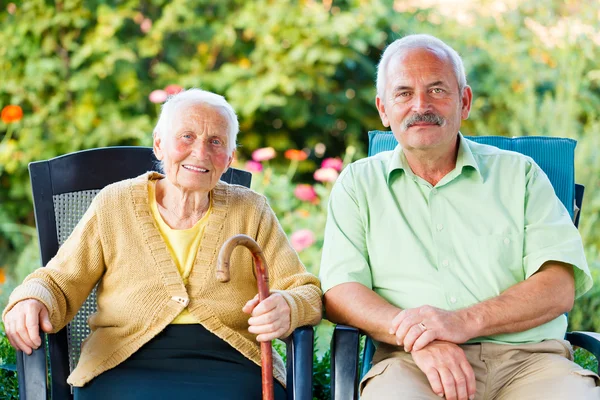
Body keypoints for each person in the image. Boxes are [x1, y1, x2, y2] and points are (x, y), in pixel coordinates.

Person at [320, 34, 599, 400]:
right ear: (383, 109)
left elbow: (559, 286)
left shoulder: (521, 175)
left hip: (531, 365)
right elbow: (341, 290)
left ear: (464, 101)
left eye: (437, 90)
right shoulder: (358, 184)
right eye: (403, 93)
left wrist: (458, 323)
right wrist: (419, 337)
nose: (421, 105)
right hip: (413, 365)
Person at [3, 88, 322, 399]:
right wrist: (32, 299)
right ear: (159, 145)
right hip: (122, 362)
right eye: (187, 136)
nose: (200, 152)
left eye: (215, 142)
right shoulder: (115, 203)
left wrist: (288, 305)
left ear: (229, 158)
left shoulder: (251, 210)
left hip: (233, 363)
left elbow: (304, 289)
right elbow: (60, 280)